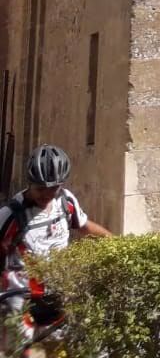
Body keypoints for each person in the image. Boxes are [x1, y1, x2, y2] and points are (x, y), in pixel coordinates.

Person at [0, 145, 111, 350]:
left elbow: (84, 225)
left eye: (53, 187)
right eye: (40, 188)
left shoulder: (65, 201)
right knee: (21, 351)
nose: (47, 194)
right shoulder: (10, 214)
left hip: (58, 292)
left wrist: (115, 243)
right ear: (29, 183)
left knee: (65, 347)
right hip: (20, 299)